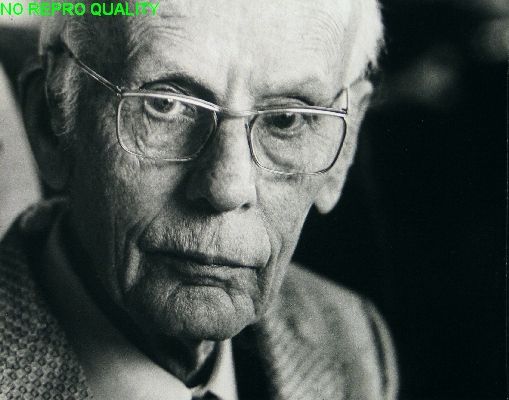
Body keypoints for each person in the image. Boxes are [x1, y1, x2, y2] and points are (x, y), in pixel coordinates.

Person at [0, 0, 398, 398]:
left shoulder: (350, 343)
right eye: (164, 104)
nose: (227, 188)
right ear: (50, 120)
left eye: (285, 119)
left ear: (345, 146)